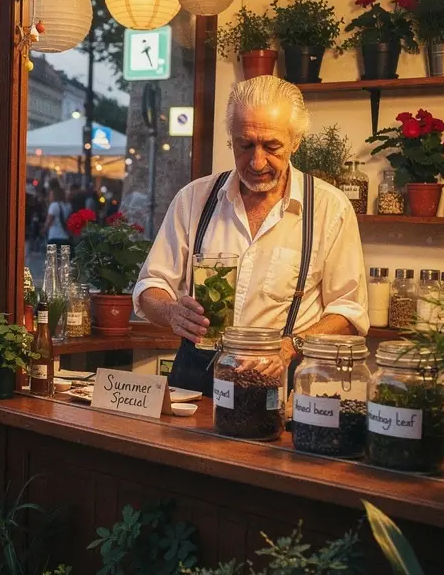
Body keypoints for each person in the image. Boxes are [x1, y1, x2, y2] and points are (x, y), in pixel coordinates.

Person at [134, 76, 369, 394]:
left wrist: (290, 346)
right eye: (245, 145)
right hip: (195, 379)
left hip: (284, 382)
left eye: (272, 147)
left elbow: (349, 311)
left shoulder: (330, 208)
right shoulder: (194, 199)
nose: (257, 162)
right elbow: (150, 287)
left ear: (296, 142)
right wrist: (172, 312)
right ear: (231, 140)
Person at [43, 179, 72, 246]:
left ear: (54, 195)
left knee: (51, 253)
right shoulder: (68, 206)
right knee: (65, 253)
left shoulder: (53, 205)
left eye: (51, 195)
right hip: (65, 237)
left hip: (53, 237)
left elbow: (49, 221)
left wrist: (43, 230)